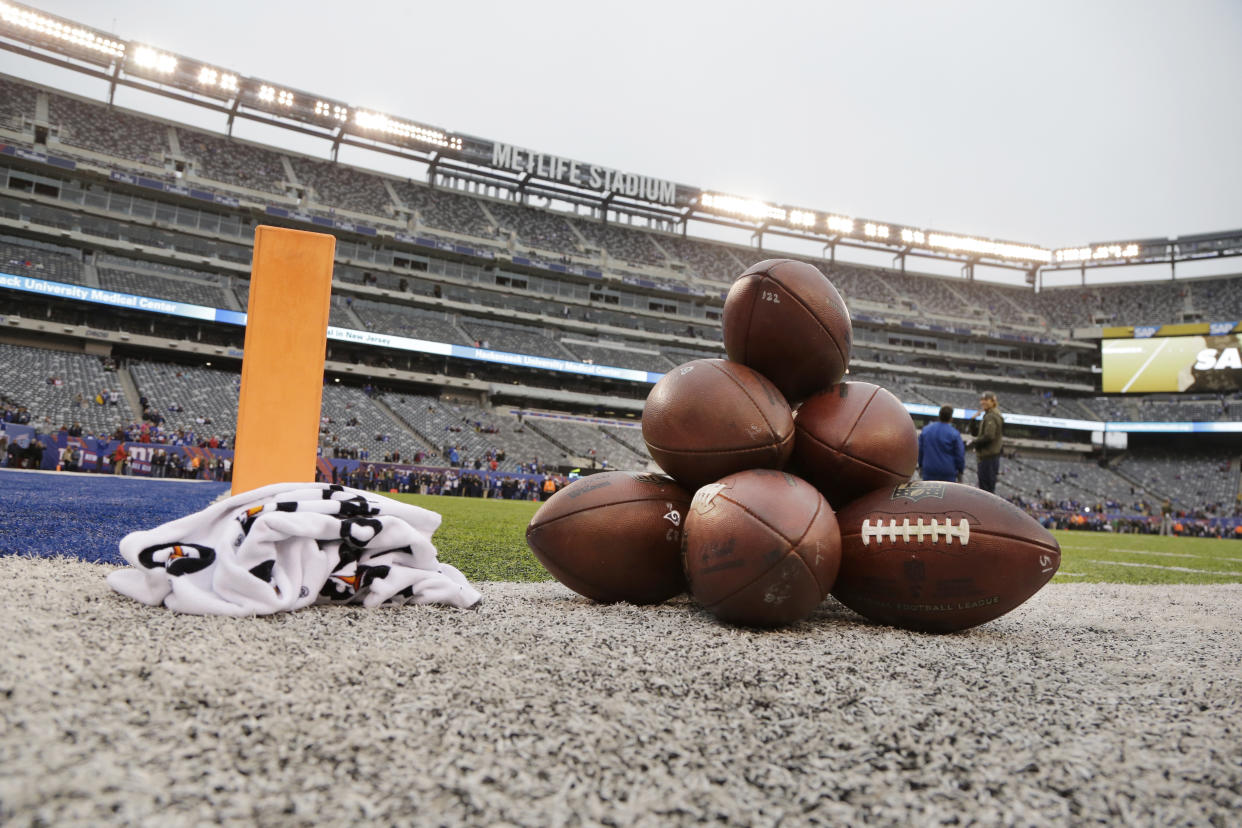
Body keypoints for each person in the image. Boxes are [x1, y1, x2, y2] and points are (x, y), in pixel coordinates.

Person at [918, 405, 965, 482]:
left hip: (929, 470)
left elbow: (920, 450)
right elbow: (959, 455)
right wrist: (960, 471)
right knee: (947, 493)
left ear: (939, 415)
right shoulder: (954, 433)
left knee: (929, 493)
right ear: (951, 418)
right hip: (947, 472)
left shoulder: (926, 430)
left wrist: (920, 465)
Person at [969, 391, 1003, 493]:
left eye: (986, 400)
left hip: (988, 457)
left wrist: (974, 442)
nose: (983, 402)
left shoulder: (991, 416)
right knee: (986, 489)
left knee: (986, 491)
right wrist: (973, 420)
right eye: (982, 400)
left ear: (993, 402)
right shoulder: (988, 415)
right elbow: (976, 433)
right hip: (988, 457)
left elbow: (989, 436)